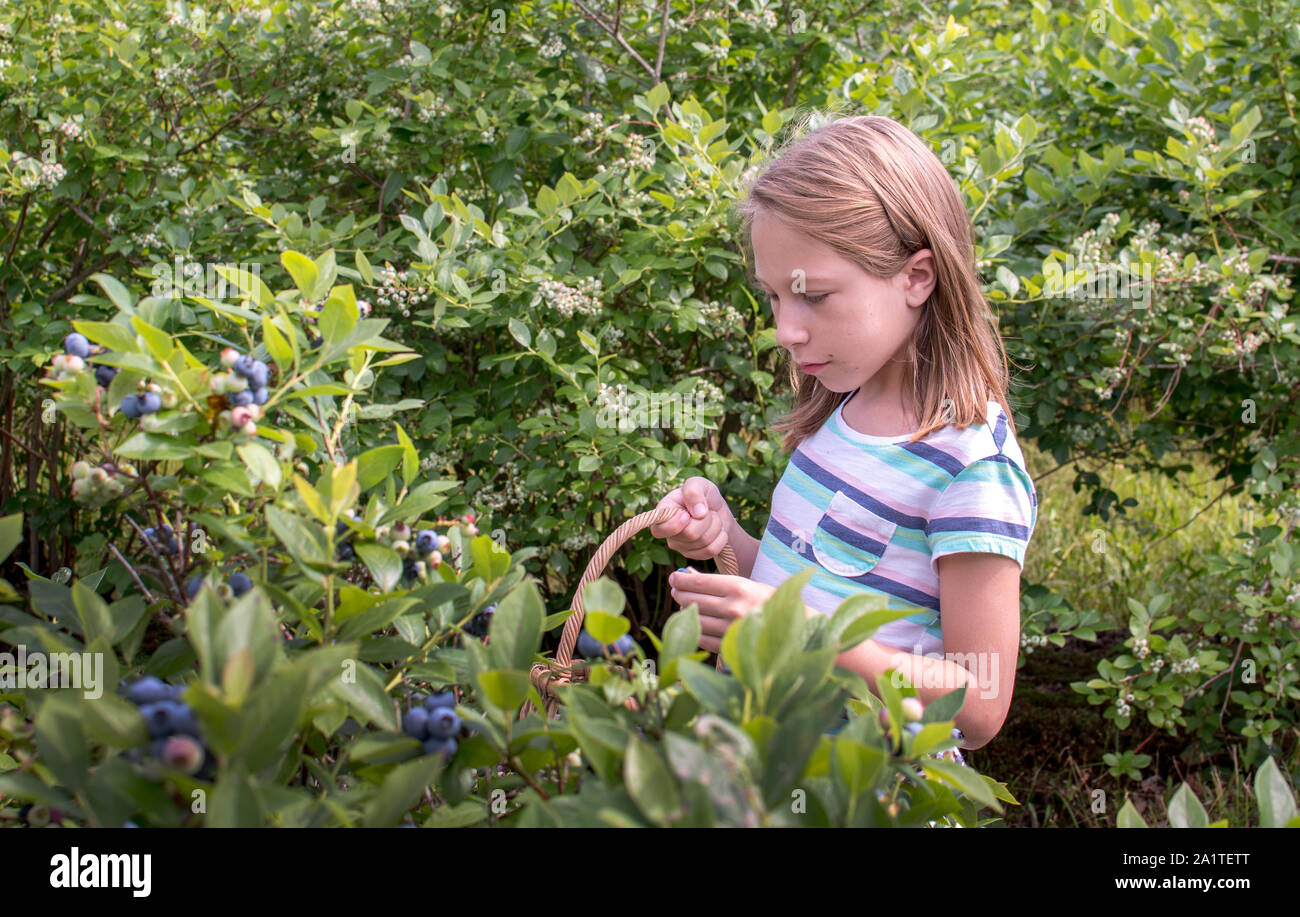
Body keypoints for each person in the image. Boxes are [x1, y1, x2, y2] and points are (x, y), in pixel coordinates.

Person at [650, 112, 1038, 753]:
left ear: (917, 277)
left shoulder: (970, 467)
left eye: (815, 296)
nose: (786, 330)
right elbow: (806, 591)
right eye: (775, 297)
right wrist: (728, 542)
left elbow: (981, 704)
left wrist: (804, 635)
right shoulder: (841, 409)